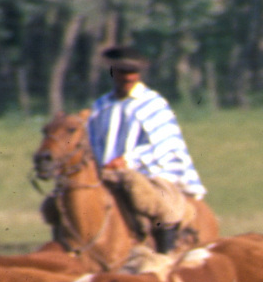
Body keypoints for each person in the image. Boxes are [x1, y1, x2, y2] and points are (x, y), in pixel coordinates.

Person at [86, 46, 206, 254]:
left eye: (133, 72)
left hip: (149, 172)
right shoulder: (100, 106)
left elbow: (164, 144)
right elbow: (93, 141)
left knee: (164, 209)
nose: (128, 77)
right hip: (105, 173)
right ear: (113, 72)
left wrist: (127, 160)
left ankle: (165, 254)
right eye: (123, 71)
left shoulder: (152, 103)